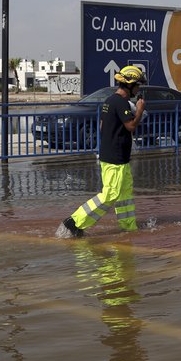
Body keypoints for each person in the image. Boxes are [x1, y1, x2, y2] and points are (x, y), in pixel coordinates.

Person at [57, 65, 146, 238]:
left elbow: (102, 126)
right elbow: (131, 126)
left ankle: (128, 226)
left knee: (125, 194)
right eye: (137, 85)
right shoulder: (120, 103)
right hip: (115, 158)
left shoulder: (109, 101)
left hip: (117, 156)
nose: (138, 88)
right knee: (110, 194)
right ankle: (74, 223)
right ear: (129, 84)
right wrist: (140, 111)